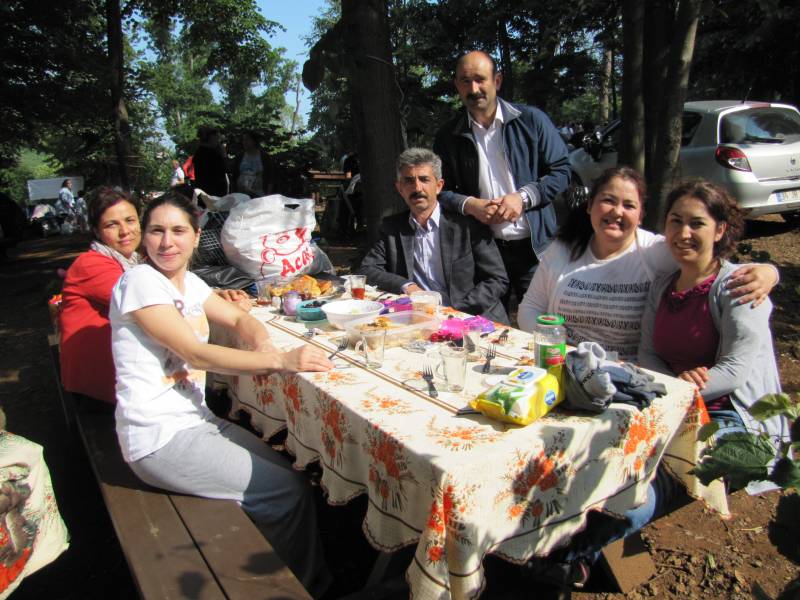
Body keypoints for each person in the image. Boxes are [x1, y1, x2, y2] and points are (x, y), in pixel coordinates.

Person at [109, 192, 333, 597]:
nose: (167, 242)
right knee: (286, 493)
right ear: (144, 238)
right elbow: (195, 353)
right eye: (156, 231)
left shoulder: (189, 283)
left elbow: (240, 319)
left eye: (178, 231)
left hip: (198, 421)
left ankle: (305, 571)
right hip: (158, 438)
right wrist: (280, 361)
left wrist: (264, 345)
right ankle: (293, 589)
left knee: (295, 472)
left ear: (196, 236)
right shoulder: (140, 281)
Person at [518, 166, 779, 362]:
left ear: (641, 215)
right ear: (590, 206)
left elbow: (710, 267)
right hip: (566, 364)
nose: (616, 212)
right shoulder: (562, 250)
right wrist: (561, 349)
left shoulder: (656, 252)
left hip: (630, 376)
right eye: (608, 200)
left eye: (628, 205)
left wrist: (769, 272)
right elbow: (529, 308)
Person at [60, 187, 249, 405]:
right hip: (102, 383)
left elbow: (171, 289)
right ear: (96, 231)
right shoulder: (92, 265)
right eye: (111, 225)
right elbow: (160, 302)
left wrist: (213, 295)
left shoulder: (132, 260)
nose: (125, 231)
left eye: (130, 220)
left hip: (129, 375)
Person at [638, 180, 788, 451]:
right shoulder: (662, 286)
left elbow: (734, 370)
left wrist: (681, 391)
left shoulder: (740, 286)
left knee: (673, 464)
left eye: (697, 223)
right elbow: (648, 354)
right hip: (675, 404)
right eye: (676, 221)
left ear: (719, 230)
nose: (684, 233)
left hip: (730, 415)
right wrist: (675, 390)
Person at [434, 50, 571, 309]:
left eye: (480, 79)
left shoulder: (531, 120)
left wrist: (523, 198)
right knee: (484, 325)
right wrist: (470, 205)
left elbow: (562, 171)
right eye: (465, 81)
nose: (473, 89)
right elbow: (441, 190)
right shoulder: (448, 136)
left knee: (539, 322)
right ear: (457, 86)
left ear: (497, 81)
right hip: (483, 251)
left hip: (535, 249)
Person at [357, 147, 509, 324]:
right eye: (409, 181)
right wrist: (407, 286)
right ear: (399, 188)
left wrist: (454, 312)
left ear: (439, 186)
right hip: (420, 320)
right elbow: (367, 269)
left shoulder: (468, 225)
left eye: (424, 179)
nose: (417, 187)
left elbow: (497, 279)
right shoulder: (392, 228)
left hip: (473, 319)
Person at [231, 131, 275, 198]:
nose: (244, 142)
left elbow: (270, 178)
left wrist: (267, 196)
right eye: (243, 140)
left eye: (247, 139)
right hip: (240, 195)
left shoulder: (264, 157)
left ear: (254, 141)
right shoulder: (240, 156)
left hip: (258, 196)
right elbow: (234, 176)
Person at [192, 126, 228, 197]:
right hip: (214, 193)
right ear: (212, 137)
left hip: (203, 192)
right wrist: (224, 155)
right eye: (217, 137)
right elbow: (225, 168)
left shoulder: (199, 152)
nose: (218, 140)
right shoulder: (213, 154)